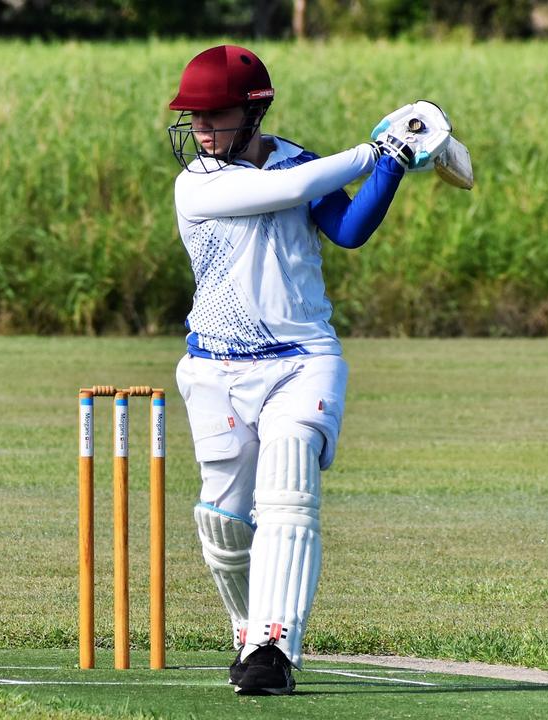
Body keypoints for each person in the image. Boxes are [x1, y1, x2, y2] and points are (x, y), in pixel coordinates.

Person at [166, 45, 425, 695]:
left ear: (254, 112)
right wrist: (379, 150)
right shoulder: (199, 182)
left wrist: (393, 167)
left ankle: (273, 648)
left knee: (288, 491)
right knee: (222, 520)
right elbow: (281, 192)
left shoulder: (299, 161)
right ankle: (248, 627)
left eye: (214, 115)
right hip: (215, 367)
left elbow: (347, 229)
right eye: (193, 116)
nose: (200, 128)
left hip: (301, 362)